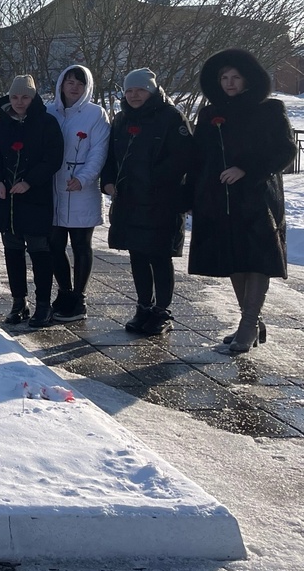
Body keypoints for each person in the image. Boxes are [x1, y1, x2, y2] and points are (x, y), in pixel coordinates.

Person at [187, 49, 294, 354]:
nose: (229, 83)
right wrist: (194, 191)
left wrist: (247, 170)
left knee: (257, 259)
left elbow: (285, 151)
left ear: (247, 79)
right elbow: (199, 155)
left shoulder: (270, 109)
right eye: (224, 77)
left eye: (235, 77)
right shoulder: (209, 113)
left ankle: (248, 326)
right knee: (234, 258)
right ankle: (251, 322)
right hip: (221, 198)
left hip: (258, 197)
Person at [101, 69, 194, 336]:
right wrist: (108, 182)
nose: (134, 95)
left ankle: (162, 311)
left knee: (160, 256)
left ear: (152, 91)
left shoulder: (170, 117)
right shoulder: (120, 120)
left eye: (140, 90)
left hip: (161, 201)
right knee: (137, 255)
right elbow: (110, 157)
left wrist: (157, 181)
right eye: (129, 91)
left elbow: (185, 157)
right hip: (129, 201)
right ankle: (143, 306)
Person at [0, 74, 65, 327]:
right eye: (15, 97)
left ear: (33, 98)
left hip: (35, 195)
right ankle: (19, 302)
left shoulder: (47, 122)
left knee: (40, 251)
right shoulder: (3, 123)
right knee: (12, 250)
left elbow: (53, 158)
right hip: (6, 197)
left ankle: (43, 304)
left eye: (25, 97)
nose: (19, 102)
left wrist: (29, 181)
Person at [47, 65, 110, 322]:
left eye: (79, 83)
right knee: (54, 244)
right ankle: (64, 291)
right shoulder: (50, 111)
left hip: (81, 186)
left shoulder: (96, 114)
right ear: (61, 83)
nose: (73, 87)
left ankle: (79, 296)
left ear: (87, 87)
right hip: (53, 185)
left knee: (81, 244)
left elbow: (98, 151)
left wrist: (83, 178)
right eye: (69, 81)